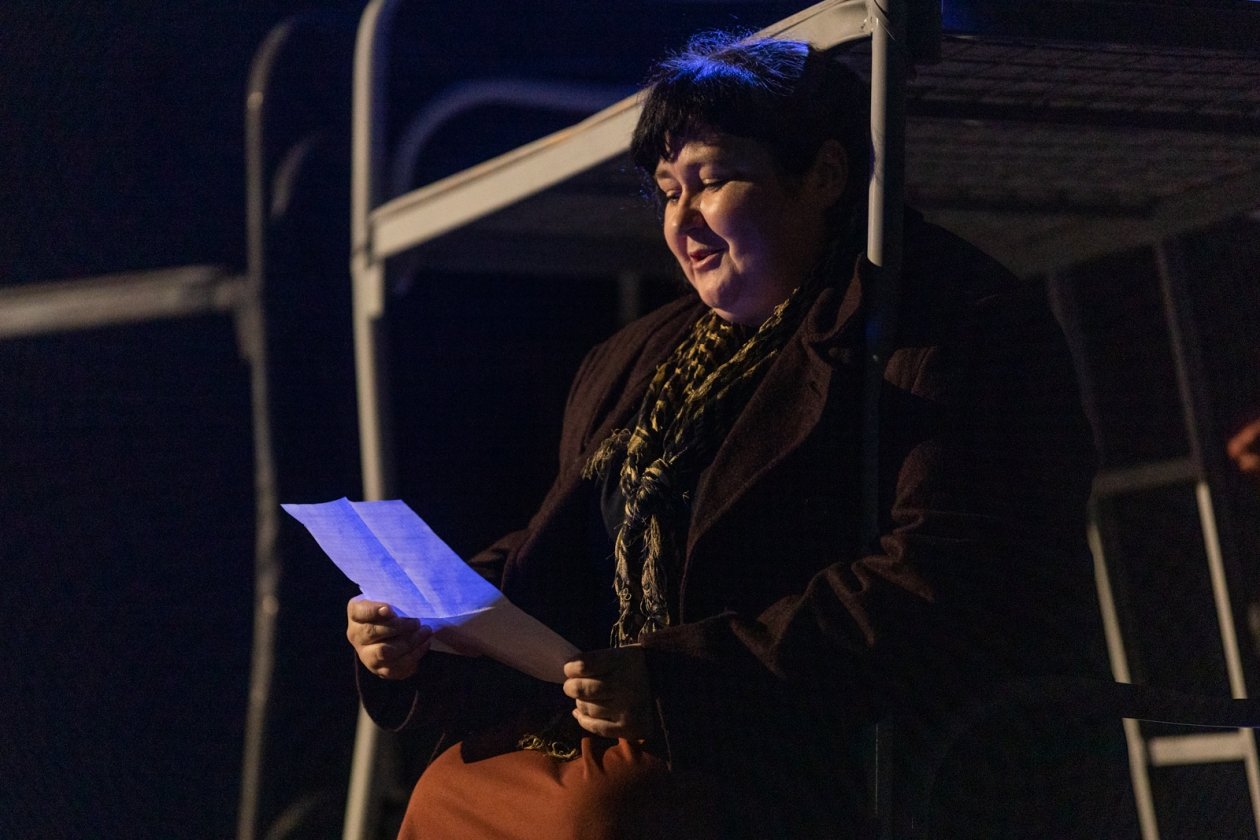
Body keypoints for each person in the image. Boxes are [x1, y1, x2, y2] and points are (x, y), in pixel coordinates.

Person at [346, 32, 1113, 838]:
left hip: (800, 741)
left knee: (597, 817)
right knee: (446, 789)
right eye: (667, 191)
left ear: (823, 175)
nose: (682, 221)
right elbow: (564, 549)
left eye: (711, 181)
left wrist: (679, 682)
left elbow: (950, 580)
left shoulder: (947, 325)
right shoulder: (639, 357)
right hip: (633, 727)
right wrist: (429, 623)